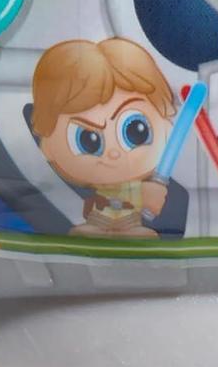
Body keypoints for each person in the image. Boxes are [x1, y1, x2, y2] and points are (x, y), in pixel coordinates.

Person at [31, 37, 176, 237]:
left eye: (136, 131)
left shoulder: (137, 186)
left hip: (130, 223)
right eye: (87, 140)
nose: (113, 153)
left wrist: (149, 197)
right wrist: (145, 195)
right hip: (99, 219)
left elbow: (148, 202)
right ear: (49, 146)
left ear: (167, 129)